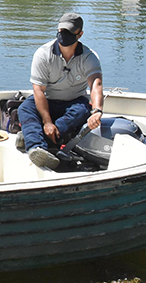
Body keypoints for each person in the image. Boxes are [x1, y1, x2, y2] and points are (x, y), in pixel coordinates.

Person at [18, 12, 104, 171]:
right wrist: (47, 121)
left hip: (74, 101)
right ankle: (36, 148)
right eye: (61, 30)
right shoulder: (43, 54)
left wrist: (97, 111)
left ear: (80, 34)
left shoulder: (89, 57)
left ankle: (31, 137)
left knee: (81, 111)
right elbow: (38, 90)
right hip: (47, 100)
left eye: (69, 31)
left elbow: (96, 84)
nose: (63, 34)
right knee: (25, 108)